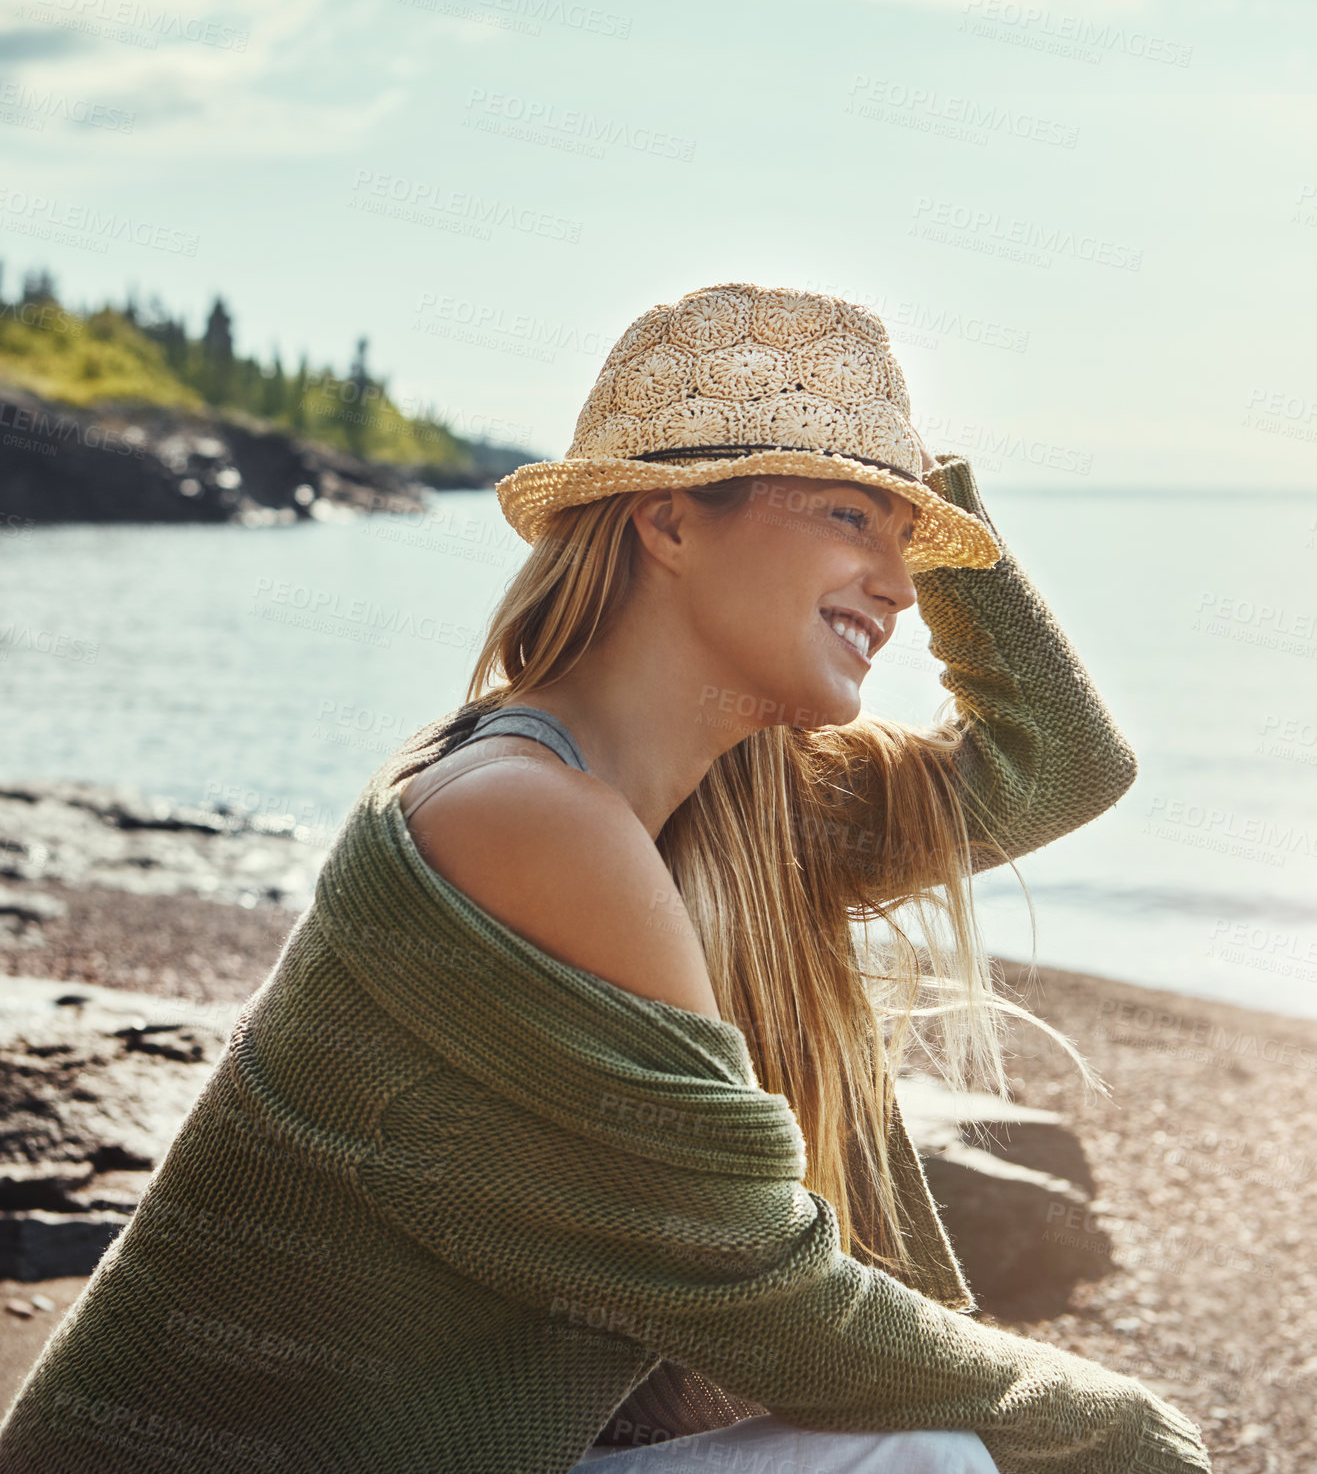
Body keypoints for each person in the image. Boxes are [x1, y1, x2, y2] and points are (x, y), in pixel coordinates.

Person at [0, 282, 1212, 1473]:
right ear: (670, 520)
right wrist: (1126, 1435)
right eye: (849, 517)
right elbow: (772, 1297)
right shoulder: (523, 815)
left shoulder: (734, 814)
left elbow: (1060, 759)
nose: (898, 587)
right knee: (930, 1456)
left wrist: (903, 474)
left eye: (908, 541)